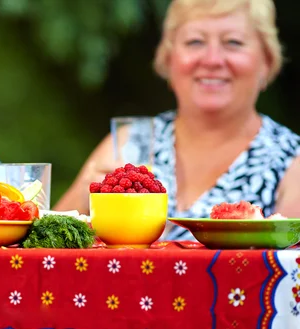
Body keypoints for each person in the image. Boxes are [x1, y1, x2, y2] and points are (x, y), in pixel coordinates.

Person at [54, 0, 300, 241]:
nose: (212, 59)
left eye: (233, 43)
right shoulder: (131, 141)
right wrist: (85, 196)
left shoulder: (292, 162)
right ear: (168, 60)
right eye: (195, 42)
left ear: (266, 62)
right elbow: (43, 250)